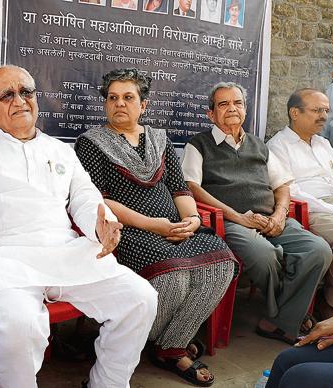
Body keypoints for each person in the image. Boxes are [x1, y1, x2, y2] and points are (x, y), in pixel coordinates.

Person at [0, 65, 157, 388]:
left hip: (65, 253)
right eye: (7, 94)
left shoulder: (59, 150)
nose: (20, 100)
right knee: (17, 326)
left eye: (26, 92)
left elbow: (83, 197)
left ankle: (107, 382)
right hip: (2, 260)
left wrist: (101, 222)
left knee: (141, 298)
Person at [75, 68, 238, 387]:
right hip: (130, 231)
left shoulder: (160, 139)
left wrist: (191, 219)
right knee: (173, 278)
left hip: (174, 227)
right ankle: (142, 343)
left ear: (143, 105)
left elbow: (180, 189)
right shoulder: (91, 143)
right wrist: (155, 226)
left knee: (221, 264)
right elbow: (101, 201)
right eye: (112, 98)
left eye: (128, 97)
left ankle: (170, 345)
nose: (119, 103)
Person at [182, 82, 332, 345]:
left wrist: (279, 215)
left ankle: (277, 321)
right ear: (211, 114)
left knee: (319, 250)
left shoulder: (259, 145)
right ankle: (286, 318)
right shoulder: (199, 145)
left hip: (270, 218)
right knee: (264, 255)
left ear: (245, 109)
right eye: (223, 104)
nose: (232, 109)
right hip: (231, 221)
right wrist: (237, 217)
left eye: (237, 103)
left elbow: (282, 184)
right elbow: (192, 188)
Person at [266, 64, 333, 388]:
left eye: (326, 111)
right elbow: (293, 192)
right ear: (295, 113)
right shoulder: (279, 145)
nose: (324, 117)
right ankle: (331, 306)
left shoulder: (321, 144)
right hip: (314, 211)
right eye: (317, 111)